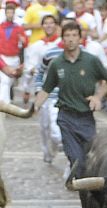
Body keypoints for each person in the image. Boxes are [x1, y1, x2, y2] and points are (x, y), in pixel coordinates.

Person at [34, 20, 107, 168]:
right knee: (75, 159)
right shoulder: (57, 63)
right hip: (66, 117)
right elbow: (46, 89)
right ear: (62, 39)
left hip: (86, 117)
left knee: (90, 157)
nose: (70, 39)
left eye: (74, 35)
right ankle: (77, 179)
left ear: (80, 38)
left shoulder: (91, 61)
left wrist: (97, 97)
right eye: (67, 36)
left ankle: (83, 186)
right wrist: (35, 107)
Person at [27, 12, 60, 163]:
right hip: (44, 90)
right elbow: (32, 67)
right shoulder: (36, 46)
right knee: (44, 125)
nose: (49, 26)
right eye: (46, 23)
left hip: (58, 91)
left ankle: (55, 146)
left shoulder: (61, 44)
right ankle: (46, 152)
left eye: (51, 23)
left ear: (56, 25)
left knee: (55, 127)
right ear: (42, 26)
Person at [0, 0, 26, 102]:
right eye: (8, 12)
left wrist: (24, 41)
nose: (10, 14)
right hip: (2, 58)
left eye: (12, 12)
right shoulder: (1, 27)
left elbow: (25, 43)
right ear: (5, 13)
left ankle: (5, 104)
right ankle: (4, 105)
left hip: (14, 58)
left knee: (8, 82)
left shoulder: (18, 28)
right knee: (5, 81)